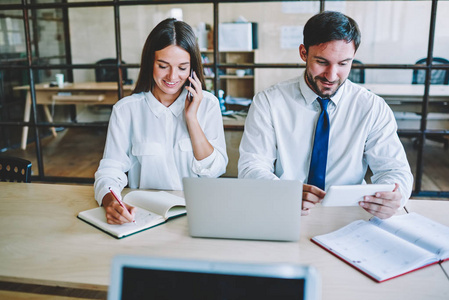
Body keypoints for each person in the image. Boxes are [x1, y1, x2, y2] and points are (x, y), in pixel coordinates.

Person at [238, 11, 413, 219]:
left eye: (343, 64)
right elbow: (251, 167)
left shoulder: (371, 107)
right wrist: (283, 192)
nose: (331, 76)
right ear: (303, 53)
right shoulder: (269, 102)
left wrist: (396, 195)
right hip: (283, 211)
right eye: (322, 62)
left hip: (349, 217)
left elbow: (395, 170)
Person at [94, 18, 228, 224]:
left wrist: (192, 119)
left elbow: (215, 170)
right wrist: (111, 202)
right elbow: (110, 171)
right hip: (142, 216)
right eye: (163, 66)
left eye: (182, 68)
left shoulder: (208, 104)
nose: (172, 76)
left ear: (193, 68)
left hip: (197, 213)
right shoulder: (126, 109)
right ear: (150, 63)